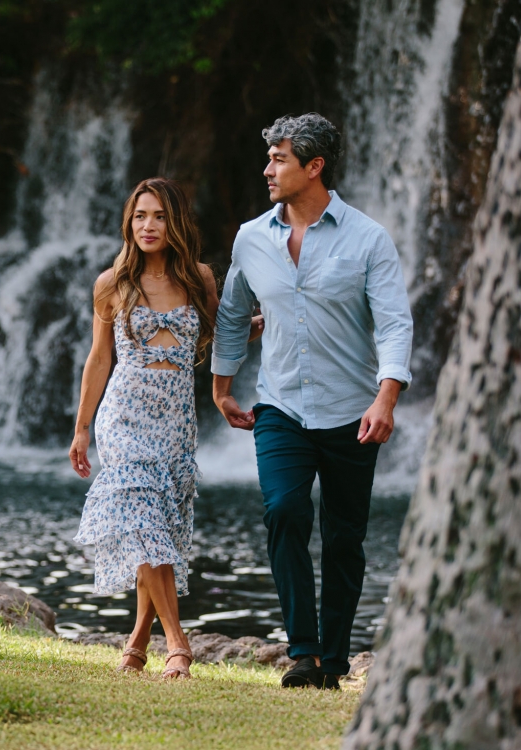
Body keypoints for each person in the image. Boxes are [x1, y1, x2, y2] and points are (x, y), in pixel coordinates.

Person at [212, 113, 413, 689]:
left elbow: (395, 324)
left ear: (314, 166)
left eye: (279, 159)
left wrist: (387, 397)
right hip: (280, 408)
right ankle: (303, 652)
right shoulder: (252, 238)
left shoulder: (368, 237)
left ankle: (335, 655)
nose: (267, 169)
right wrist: (223, 387)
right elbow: (231, 314)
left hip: (354, 411)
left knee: (345, 538)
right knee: (284, 513)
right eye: (269, 158)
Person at [69, 177, 262, 678]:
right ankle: (178, 646)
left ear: (173, 221)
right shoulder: (111, 283)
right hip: (124, 417)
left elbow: (225, 331)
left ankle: (135, 645)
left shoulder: (199, 278)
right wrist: (82, 428)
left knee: (158, 534)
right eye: (139, 216)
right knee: (144, 521)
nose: (148, 226)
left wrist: (265, 323)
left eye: (157, 216)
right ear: (128, 224)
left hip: (176, 423)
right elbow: (98, 358)